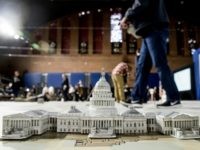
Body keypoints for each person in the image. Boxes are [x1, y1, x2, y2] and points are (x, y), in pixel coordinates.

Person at [120, 0, 180, 106]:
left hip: (154, 28)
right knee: (142, 66)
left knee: (160, 64)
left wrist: (127, 16)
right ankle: (137, 97)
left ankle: (173, 97)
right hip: (149, 30)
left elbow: (142, 3)